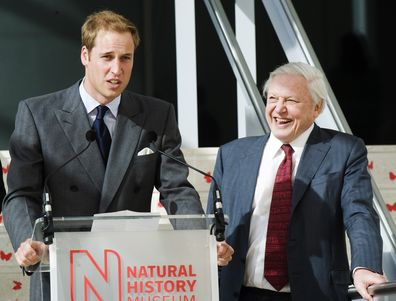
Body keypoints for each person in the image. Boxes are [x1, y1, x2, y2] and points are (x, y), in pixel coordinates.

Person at [2, 10, 233, 301]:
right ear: (85, 55)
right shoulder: (38, 114)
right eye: (107, 57)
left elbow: (177, 190)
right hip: (62, 269)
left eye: (126, 58)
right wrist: (30, 242)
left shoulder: (157, 115)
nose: (117, 69)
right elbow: (22, 194)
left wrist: (202, 242)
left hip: (129, 272)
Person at [207, 62, 386, 301]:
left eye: (291, 101)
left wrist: (365, 266)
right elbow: (211, 224)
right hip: (239, 293)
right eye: (273, 99)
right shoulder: (232, 155)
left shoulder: (344, 151)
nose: (279, 109)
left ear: (317, 107)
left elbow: (359, 213)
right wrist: (212, 250)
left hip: (314, 293)